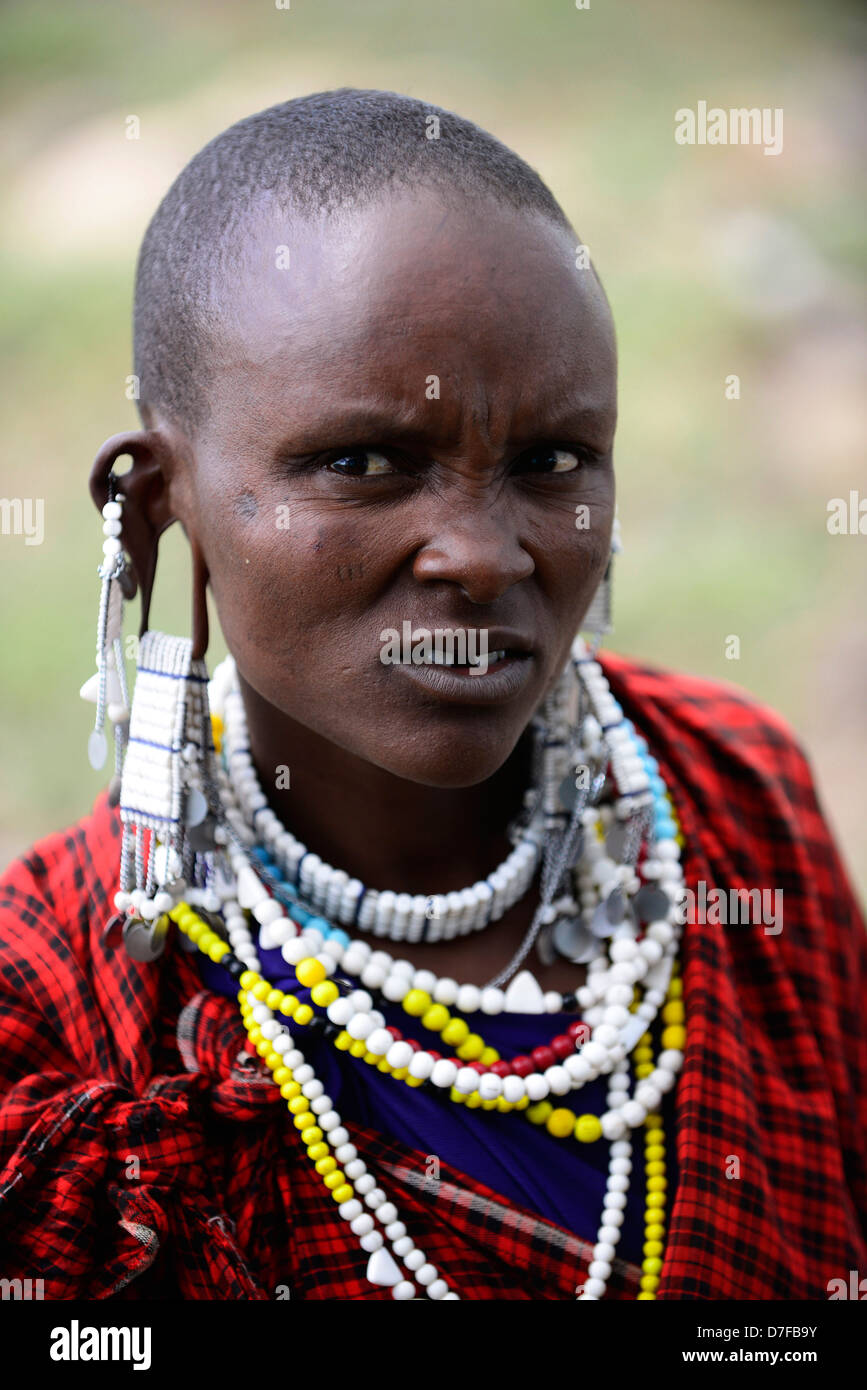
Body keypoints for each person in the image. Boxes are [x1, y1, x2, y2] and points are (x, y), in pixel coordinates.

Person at [0, 89, 864, 1302]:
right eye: (363, 463)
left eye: (551, 460)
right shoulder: (49, 1001)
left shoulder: (736, 799)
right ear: (155, 509)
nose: (484, 556)